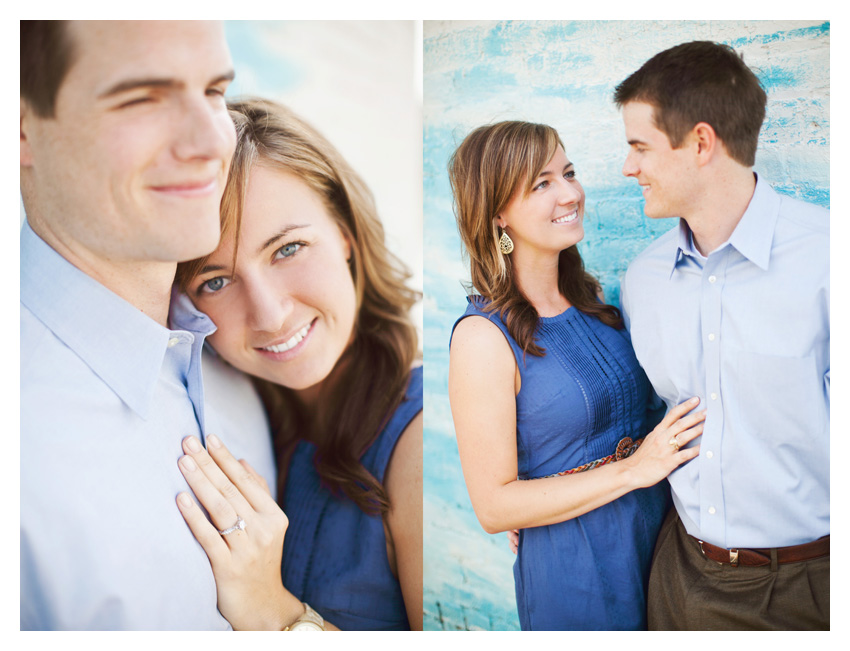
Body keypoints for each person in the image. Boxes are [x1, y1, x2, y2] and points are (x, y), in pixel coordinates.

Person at [20, 21, 276, 630]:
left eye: (215, 91)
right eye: (142, 99)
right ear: (22, 127)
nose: (211, 142)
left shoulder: (248, 361)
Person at [170, 98, 423, 631]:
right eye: (215, 282)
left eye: (288, 249)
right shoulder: (235, 420)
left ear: (345, 232)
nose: (269, 314)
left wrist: (271, 609)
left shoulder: (419, 438)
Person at [446, 121, 707, 630]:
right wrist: (633, 470)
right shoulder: (482, 337)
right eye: (542, 184)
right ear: (497, 213)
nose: (569, 193)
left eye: (568, 173)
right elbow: (494, 507)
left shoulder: (595, 305)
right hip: (577, 568)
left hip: (658, 545)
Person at [615, 41, 829, 630]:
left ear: (701, 143)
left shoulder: (828, 261)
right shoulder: (644, 280)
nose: (627, 167)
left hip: (804, 592)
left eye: (639, 147)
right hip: (675, 573)